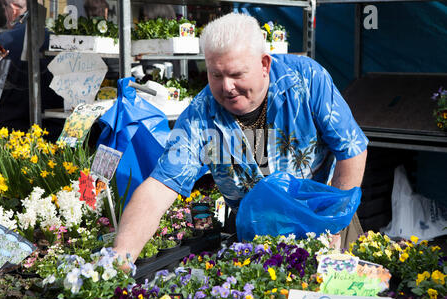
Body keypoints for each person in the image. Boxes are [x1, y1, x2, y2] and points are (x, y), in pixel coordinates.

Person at [112, 13, 368, 263]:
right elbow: (159, 188)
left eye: (236, 75)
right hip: (255, 233)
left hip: (325, 215)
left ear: (264, 64)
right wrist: (118, 260)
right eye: (216, 75)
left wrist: (331, 223)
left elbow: (351, 149)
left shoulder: (307, 80)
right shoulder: (199, 116)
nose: (226, 87)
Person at [0, 0, 64, 140]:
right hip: (55, 132)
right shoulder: (57, 39)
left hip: (9, 134)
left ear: (14, 9)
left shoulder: (4, 43)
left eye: (4, 6)